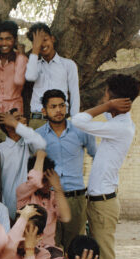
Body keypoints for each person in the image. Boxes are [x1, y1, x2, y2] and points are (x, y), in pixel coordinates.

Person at [71, 73, 140, 259]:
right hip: (97, 200)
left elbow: (78, 120)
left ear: (116, 99)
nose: (102, 98)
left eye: (106, 94)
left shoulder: (121, 125)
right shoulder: (118, 123)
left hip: (103, 204)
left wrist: (106, 107)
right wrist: (111, 108)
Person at [36, 89, 96, 250]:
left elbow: (96, 156)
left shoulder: (81, 132)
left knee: (75, 247)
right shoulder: (37, 136)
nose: (58, 110)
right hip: (49, 200)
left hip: (75, 199)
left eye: (62, 105)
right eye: (53, 106)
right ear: (44, 110)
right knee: (49, 247)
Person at [25, 23, 80, 129]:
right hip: (37, 121)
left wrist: (75, 122)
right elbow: (30, 77)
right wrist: (35, 50)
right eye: (37, 43)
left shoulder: (68, 65)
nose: (42, 45)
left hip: (59, 120)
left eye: (44, 40)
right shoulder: (34, 65)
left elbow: (75, 94)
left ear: (52, 39)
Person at [0, 110, 46, 220]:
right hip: (7, 208)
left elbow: (41, 143)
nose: (24, 120)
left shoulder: (30, 145)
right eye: (18, 118)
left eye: (23, 117)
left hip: (31, 207)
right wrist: (4, 211)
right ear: (7, 127)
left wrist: (15, 123)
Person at [16, 150, 71, 250]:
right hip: (26, 247)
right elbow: (34, 182)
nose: (48, 184)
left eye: (50, 179)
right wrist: (40, 156)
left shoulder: (54, 196)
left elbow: (65, 217)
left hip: (49, 249)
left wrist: (58, 187)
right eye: (44, 179)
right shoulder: (23, 193)